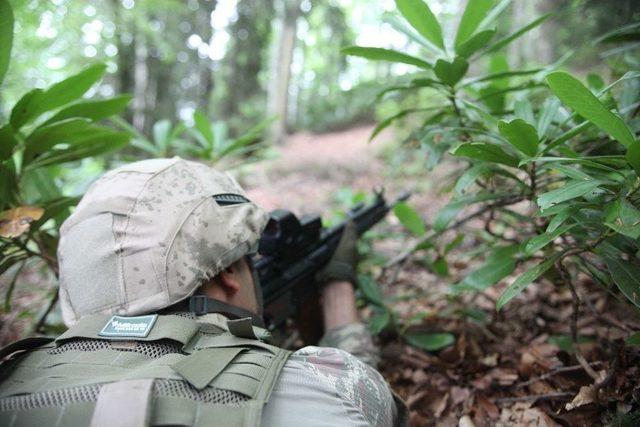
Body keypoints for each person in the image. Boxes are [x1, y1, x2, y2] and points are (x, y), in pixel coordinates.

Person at [0, 157, 407, 427]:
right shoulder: (319, 387)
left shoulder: (10, 378)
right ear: (229, 272)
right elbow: (368, 402)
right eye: (250, 261)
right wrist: (337, 285)